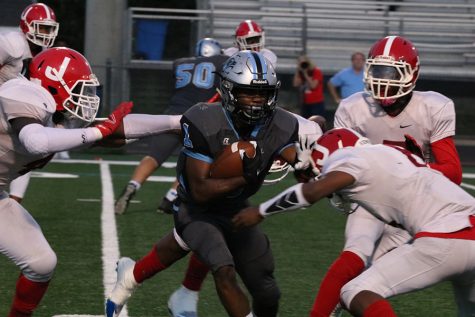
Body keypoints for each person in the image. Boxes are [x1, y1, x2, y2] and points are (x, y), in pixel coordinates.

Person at [106, 51, 307, 317]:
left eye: (264, 93)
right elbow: (200, 191)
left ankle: (131, 277)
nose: (257, 101)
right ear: (228, 89)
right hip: (195, 208)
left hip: (235, 206)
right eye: (248, 92)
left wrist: (304, 163)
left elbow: (295, 154)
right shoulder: (204, 120)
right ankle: (140, 281)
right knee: (223, 270)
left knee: (266, 287)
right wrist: (250, 173)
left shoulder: (282, 122)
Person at [0, 46, 184, 317]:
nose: (85, 96)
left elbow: (117, 129)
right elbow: (35, 140)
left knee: (41, 263)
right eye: (79, 87)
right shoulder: (22, 93)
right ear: (52, 83)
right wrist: (98, 132)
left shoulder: (55, 115)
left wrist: (178, 121)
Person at [232, 127, 475, 317]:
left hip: (446, 235)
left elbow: (312, 192)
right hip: (468, 229)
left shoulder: (352, 159)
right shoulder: (390, 154)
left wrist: (261, 211)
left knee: (355, 290)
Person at [310, 35, 462, 317]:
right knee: (353, 256)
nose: (385, 79)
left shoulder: (433, 106)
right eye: (378, 71)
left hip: (412, 202)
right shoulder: (353, 107)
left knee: (362, 282)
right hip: (370, 196)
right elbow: (343, 159)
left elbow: (452, 172)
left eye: (393, 72)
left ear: (412, 73)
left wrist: (412, 168)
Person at [114, 38, 228, 215]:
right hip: (198, 118)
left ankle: (132, 186)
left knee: (154, 156)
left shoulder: (180, 63)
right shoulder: (221, 61)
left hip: (172, 115)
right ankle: (170, 197)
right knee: (197, 160)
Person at [0, 3, 59, 204]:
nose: (45, 33)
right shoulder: (12, 44)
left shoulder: (44, 54)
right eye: (41, 27)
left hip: (14, 111)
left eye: (49, 28)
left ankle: (13, 204)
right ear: (26, 25)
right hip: (3, 108)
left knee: (34, 149)